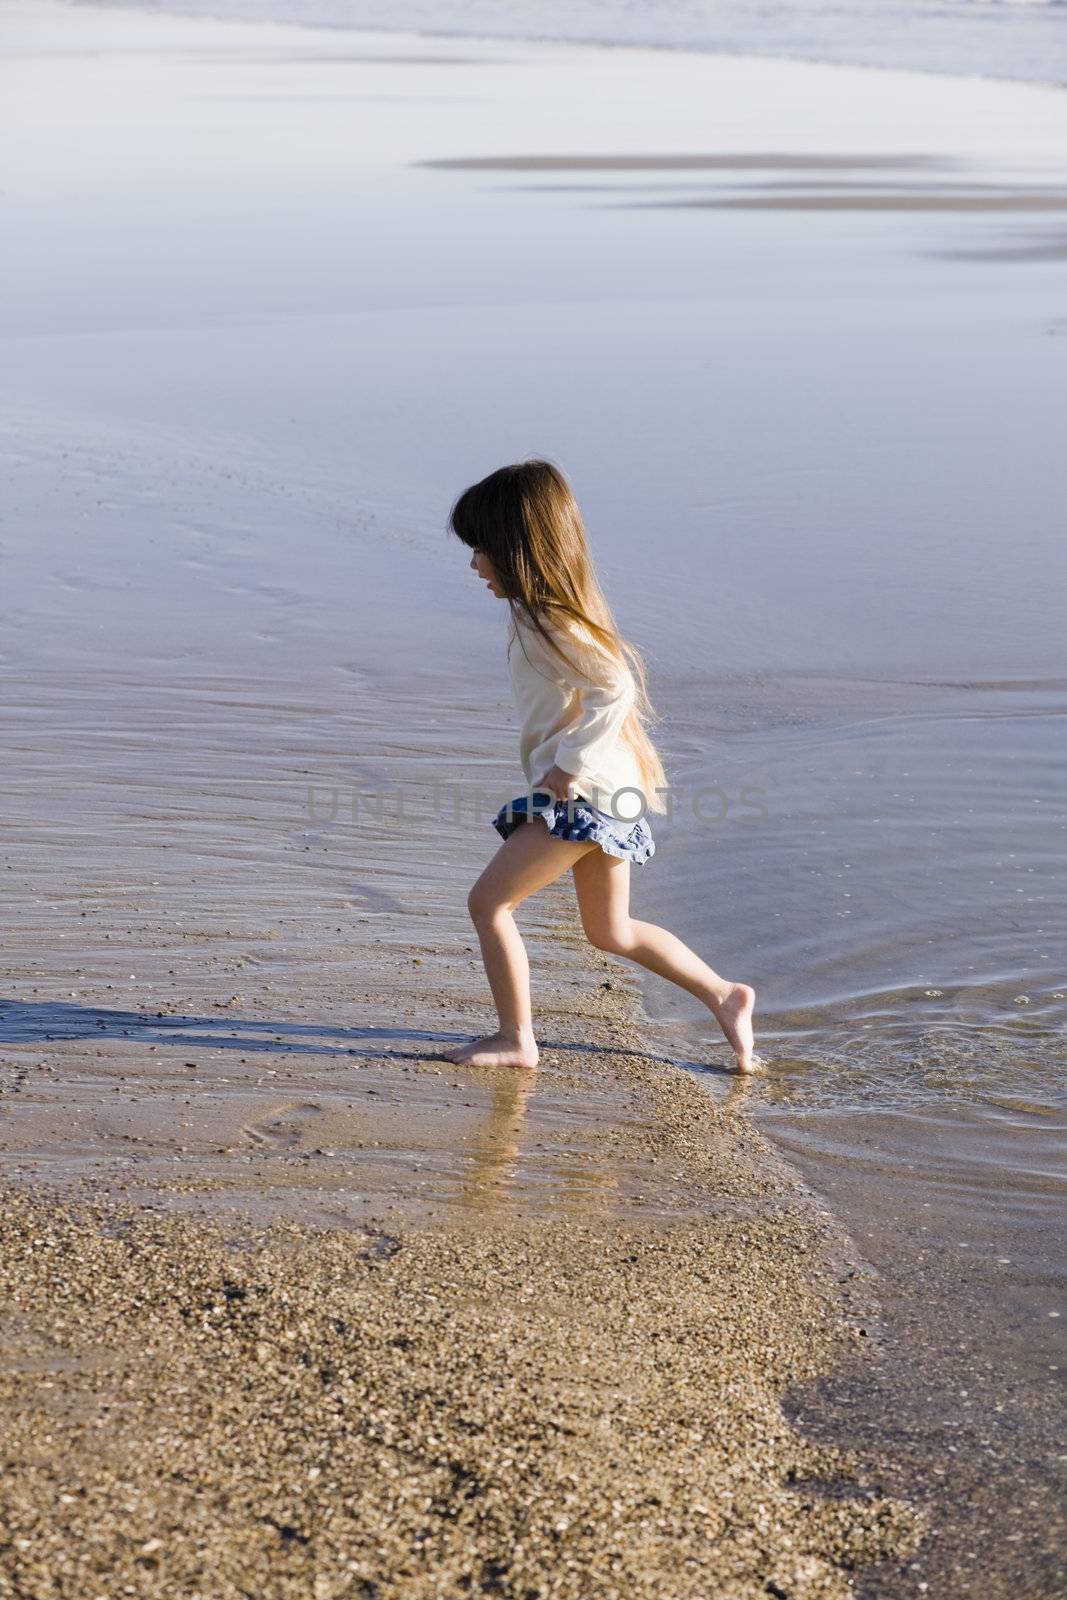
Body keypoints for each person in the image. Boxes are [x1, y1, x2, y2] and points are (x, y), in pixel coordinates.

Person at [444, 459, 759, 1075]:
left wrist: (567, 767)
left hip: (584, 797)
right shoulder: (552, 616)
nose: (473, 564)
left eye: (480, 548)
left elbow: (614, 685)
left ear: (515, 548)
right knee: (610, 931)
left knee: (489, 905)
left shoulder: (548, 621)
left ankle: (516, 1039)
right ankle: (725, 996)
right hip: (616, 794)